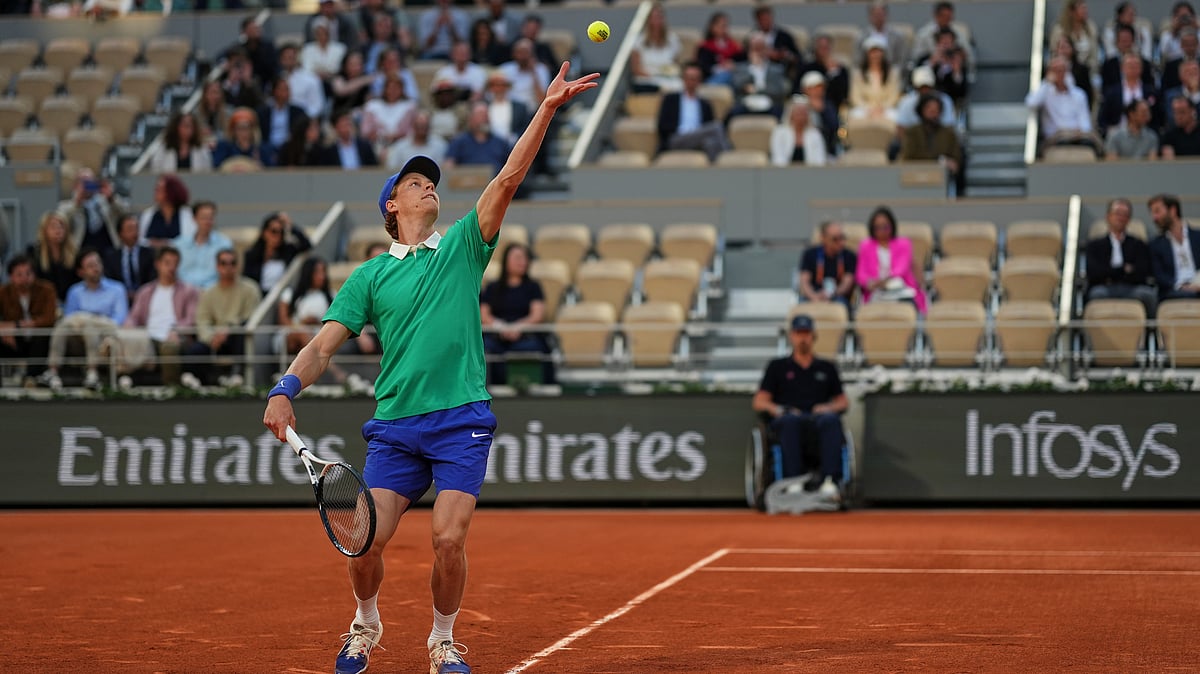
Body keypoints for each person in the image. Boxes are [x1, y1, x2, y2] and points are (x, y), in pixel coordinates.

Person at [261, 61, 598, 674]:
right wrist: (285, 388)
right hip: (395, 427)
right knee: (364, 541)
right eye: (415, 183)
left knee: (449, 539)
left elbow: (508, 178)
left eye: (432, 182)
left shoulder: (466, 244)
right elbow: (322, 348)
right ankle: (366, 622)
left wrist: (546, 109)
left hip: (460, 419)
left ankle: (442, 638)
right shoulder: (369, 275)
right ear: (392, 203)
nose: (428, 187)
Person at [751, 314, 849, 500]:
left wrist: (828, 407)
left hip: (818, 420)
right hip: (788, 419)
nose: (802, 338)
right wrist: (780, 410)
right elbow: (760, 401)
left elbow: (843, 401)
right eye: (798, 333)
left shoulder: (827, 367)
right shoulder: (777, 367)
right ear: (791, 336)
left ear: (813, 336)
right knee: (790, 422)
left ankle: (830, 482)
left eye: (806, 333)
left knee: (831, 421)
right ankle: (793, 481)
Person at [37, 248, 128, 391]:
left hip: (106, 337)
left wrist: (90, 320)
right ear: (81, 272)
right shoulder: (74, 292)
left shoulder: (117, 289)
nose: (96, 268)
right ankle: (52, 371)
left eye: (98, 263)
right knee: (62, 326)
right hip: (78, 338)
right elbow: (69, 319)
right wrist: (87, 320)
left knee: (89, 327)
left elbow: (118, 320)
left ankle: (92, 373)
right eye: (90, 266)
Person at [124, 246, 200, 387]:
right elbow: (134, 317)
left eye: (175, 263)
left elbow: (191, 319)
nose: (172, 267)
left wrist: (176, 330)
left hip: (176, 336)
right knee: (127, 340)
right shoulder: (145, 291)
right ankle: (125, 384)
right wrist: (129, 325)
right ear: (157, 264)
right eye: (167, 263)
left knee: (169, 347)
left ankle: (171, 390)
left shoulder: (189, 291)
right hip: (148, 336)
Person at [480, 242, 554, 387]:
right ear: (506, 260)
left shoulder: (533, 287)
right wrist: (500, 327)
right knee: (485, 347)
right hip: (497, 335)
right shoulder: (492, 287)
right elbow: (484, 314)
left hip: (524, 335)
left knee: (532, 347)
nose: (522, 262)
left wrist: (517, 328)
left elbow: (537, 315)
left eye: (525, 258)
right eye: (517, 258)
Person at [185, 247, 260, 386]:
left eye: (232, 263)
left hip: (237, 335)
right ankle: (198, 381)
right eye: (224, 263)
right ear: (217, 266)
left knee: (241, 335)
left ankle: (237, 376)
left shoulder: (250, 289)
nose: (228, 267)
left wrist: (229, 330)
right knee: (195, 350)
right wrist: (212, 337)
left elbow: (251, 317)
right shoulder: (208, 293)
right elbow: (202, 320)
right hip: (215, 339)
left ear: (237, 266)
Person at [1085, 198, 1157, 316]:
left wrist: (1110, 272)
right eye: (1117, 214)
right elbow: (1094, 273)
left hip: (1132, 288)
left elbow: (1143, 271)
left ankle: (1150, 333)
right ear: (1108, 216)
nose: (1121, 218)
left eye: (1125, 215)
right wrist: (1123, 270)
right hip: (1104, 288)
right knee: (1096, 294)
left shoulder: (1138, 244)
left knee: (1148, 295)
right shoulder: (1095, 245)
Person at [855, 205, 927, 313]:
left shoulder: (904, 244)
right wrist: (870, 283)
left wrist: (883, 281)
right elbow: (861, 274)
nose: (882, 231)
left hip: (900, 289)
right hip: (875, 291)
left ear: (892, 226)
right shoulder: (865, 246)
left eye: (885, 227)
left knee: (909, 307)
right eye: (877, 228)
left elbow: (901, 269)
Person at [656, 62, 732, 162]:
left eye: (695, 78)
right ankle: (729, 157)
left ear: (699, 81)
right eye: (689, 78)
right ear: (683, 79)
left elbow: (707, 126)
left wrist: (696, 134)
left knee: (711, 143)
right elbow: (662, 125)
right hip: (677, 138)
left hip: (698, 140)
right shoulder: (671, 100)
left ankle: (715, 174)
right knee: (716, 126)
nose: (691, 82)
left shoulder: (705, 104)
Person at [0, 254, 57, 381]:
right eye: (19, 274)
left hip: (39, 340)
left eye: (28, 273)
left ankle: (32, 378)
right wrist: (4, 328)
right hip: (14, 340)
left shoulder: (47, 289)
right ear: (11, 277)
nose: (25, 278)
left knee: (42, 336)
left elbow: (49, 319)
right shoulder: (3, 292)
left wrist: (17, 325)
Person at [56, 168, 129, 254]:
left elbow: (126, 213)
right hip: (81, 252)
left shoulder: (105, 202)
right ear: (76, 185)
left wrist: (111, 198)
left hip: (108, 251)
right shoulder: (67, 206)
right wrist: (77, 203)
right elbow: (61, 221)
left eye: (91, 182)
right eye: (85, 183)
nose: (88, 186)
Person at [242, 211, 313, 294]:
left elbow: (306, 245)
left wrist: (291, 226)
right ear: (265, 232)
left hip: (281, 297)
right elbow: (247, 280)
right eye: (274, 231)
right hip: (259, 298)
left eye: (281, 232)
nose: (277, 236)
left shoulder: (287, 251)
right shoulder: (252, 255)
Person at [1148, 193, 1200, 300]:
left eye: (1157, 211)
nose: (1154, 218)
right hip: (1173, 291)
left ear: (1172, 210)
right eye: (1152, 213)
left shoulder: (1198, 237)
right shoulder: (1156, 244)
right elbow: (1159, 275)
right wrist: (1181, 287)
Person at [174, 201, 234, 290]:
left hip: (213, 292)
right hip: (184, 292)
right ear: (194, 218)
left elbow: (227, 272)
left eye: (211, 218)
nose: (207, 221)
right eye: (204, 218)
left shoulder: (224, 244)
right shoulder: (179, 244)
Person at [798, 222, 857, 308]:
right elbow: (804, 281)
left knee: (841, 304)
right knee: (802, 306)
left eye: (842, 238)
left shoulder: (849, 256)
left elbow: (847, 284)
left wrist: (831, 295)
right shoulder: (810, 254)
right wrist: (814, 296)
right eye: (835, 239)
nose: (840, 242)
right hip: (814, 294)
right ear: (823, 238)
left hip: (837, 295)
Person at [103, 213, 157, 305]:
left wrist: (140, 293)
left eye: (136, 229)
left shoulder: (149, 253)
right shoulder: (111, 256)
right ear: (120, 234)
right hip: (119, 298)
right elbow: (109, 281)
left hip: (146, 298)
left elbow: (152, 278)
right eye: (130, 229)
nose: (134, 233)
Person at [27, 210, 78, 304]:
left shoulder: (75, 253)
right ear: (44, 230)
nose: (58, 230)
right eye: (53, 227)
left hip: (69, 301)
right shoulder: (34, 252)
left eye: (61, 226)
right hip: (43, 302)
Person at [630, 2, 683, 93]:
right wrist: (653, 76)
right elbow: (636, 69)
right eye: (654, 17)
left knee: (680, 86)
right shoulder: (639, 41)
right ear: (648, 19)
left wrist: (670, 73)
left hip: (668, 79)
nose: (657, 21)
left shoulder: (673, 40)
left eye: (660, 17)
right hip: (647, 80)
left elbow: (676, 64)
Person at [138, 174, 196, 248]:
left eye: (159, 189)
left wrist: (166, 243)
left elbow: (190, 240)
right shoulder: (148, 214)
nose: (155, 191)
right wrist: (151, 243)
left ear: (171, 192)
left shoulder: (188, 214)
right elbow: (140, 240)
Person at [769, 95, 827, 167]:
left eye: (803, 113)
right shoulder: (780, 132)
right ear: (791, 114)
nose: (801, 116)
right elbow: (777, 158)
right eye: (798, 112)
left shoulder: (815, 134)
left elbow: (820, 160)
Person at [149, 110, 214, 174]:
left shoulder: (202, 150)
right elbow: (155, 173)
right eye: (186, 126)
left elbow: (207, 173)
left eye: (192, 126)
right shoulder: (163, 150)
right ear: (176, 127)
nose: (189, 130)